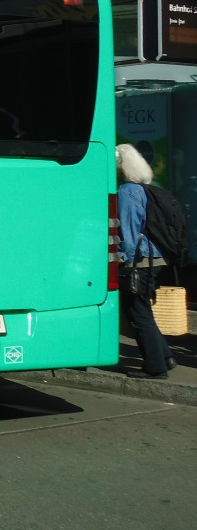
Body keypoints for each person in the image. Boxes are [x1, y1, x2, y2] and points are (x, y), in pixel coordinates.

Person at [115, 143, 176, 379]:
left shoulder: (127, 192)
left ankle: (155, 368)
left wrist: (124, 263)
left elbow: (128, 236)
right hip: (155, 258)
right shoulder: (148, 189)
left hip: (140, 261)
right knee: (144, 311)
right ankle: (166, 357)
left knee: (137, 314)